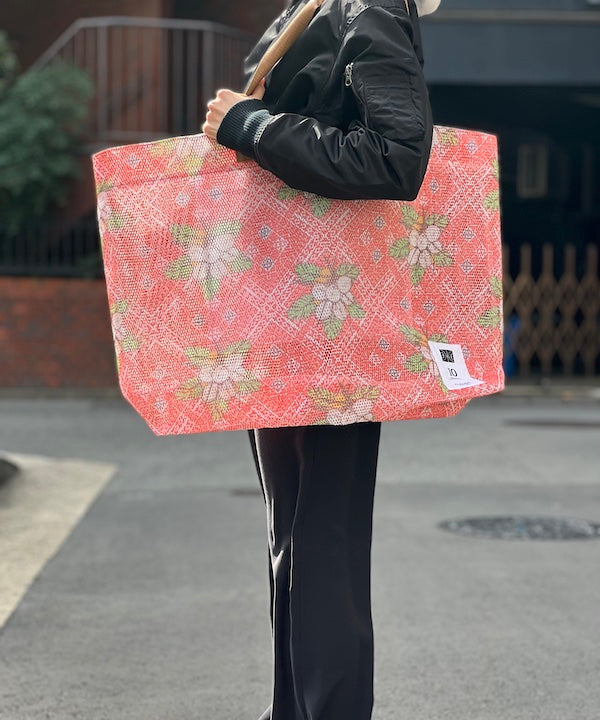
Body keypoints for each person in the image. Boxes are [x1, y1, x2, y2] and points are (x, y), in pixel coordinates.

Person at [202, 1, 441, 718]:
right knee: (299, 538)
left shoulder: (365, 8)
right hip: (291, 313)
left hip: (324, 320)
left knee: (321, 541)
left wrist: (248, 123)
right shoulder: (317, 9)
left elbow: (398, 154)